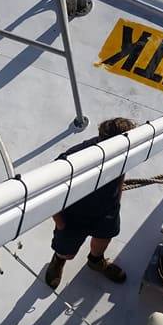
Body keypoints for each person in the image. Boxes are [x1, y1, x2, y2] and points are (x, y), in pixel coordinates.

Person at [44, 117, 136, 290]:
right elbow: (48, 192)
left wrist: (117, 199)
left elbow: (121, 173)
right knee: (66, 252)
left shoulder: (124, 152)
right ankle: (59, 259)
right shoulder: (72, 159)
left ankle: (95, 261)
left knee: (104, 238)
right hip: (73, 217)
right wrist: (61, 224)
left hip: (106, 211)